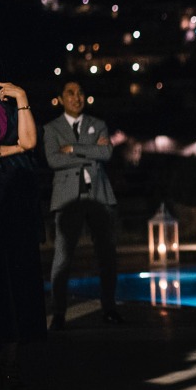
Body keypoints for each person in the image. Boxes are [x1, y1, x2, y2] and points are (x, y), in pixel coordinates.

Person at [44, 80, 122, 330]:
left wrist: (74, 149)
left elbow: (107, 153)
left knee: (107, 255)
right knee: (63, 258)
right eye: (71, 93)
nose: (76, 97)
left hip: (99, 196)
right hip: (68, 200)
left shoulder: (98, 124)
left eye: (80, 93)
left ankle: (109, 308)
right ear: (61, 98)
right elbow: (54, 160)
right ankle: (58, 313)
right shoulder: (51, 128)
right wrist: (90, 152)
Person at [0, 80, 45, 390]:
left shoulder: (9, 105)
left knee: (13, 281)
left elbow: (30, 143)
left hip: (14, 199)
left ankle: (11, 361)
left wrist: (23, 97)